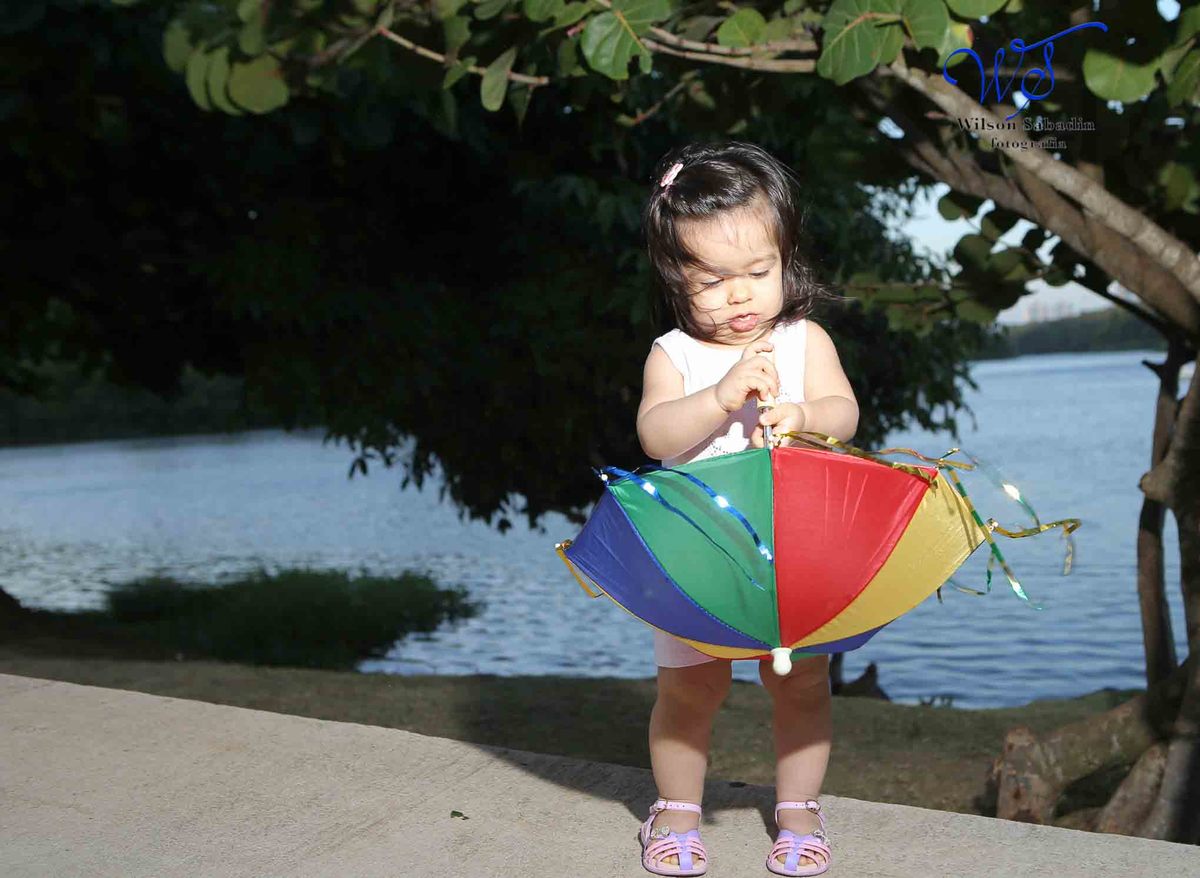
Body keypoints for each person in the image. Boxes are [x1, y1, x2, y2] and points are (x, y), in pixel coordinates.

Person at [633, 142, 859, 877]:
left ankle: (798, 812)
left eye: (758, 273)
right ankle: (675, 813)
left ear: (786, 260)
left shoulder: (803, 340)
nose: (739, 296)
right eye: (713, 280)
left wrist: (803, 414)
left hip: (794, 553)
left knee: (800, 685)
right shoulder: (674, 356)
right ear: (676, 278)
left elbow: (844, 412)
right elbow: (656, 433)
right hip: (700, 554)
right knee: (689, 690)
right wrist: (719, 397)